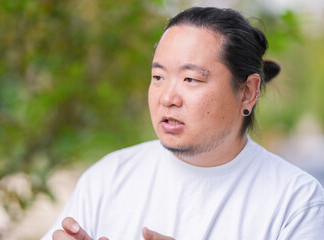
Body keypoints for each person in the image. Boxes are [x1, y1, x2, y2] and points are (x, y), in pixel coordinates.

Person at [43, 7, 324, 240]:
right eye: (158, 77)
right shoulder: (109, 178)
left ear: (248, 91)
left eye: (191, 79)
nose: (167, 97)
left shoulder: (297, 202)